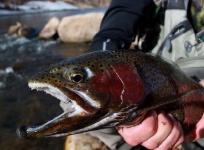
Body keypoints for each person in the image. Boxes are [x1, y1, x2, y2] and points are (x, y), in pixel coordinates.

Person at [86, 0, 204, 149]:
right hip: (157, 68)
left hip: (191, 76)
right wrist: (101, 62)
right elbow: (115, 27)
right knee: (81, 100)